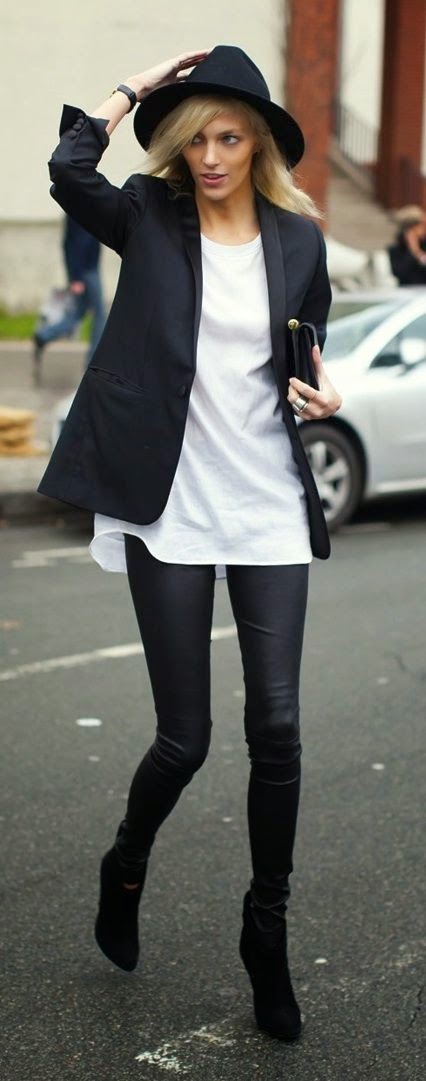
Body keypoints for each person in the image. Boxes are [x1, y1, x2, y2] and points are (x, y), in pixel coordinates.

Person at [37, 46, 342, 1041]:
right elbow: (67, 169)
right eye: (195, 136)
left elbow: (307, 348)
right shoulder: (147, 215)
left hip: (266, 502)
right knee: (186, 739)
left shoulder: (299, 239)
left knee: (279, 728)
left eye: (228, 137)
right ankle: (126, 862)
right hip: (170, 506)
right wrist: (135, 90)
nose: (209, 156)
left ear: (258, 144)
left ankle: (267, 931)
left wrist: (325, 389)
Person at [33, 214, 106, 373]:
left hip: (87, 269)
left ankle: (43, 336)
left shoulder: (85, 207)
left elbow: (70, 242)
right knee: (100, 314)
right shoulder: (79, 210)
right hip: (87, 271)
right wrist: (76, 277)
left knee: (78, 313)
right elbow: (74, 244)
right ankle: (93, 359)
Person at [388, 205, 426, 286]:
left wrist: (419, 253)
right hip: (406, 290)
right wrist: (413, 250)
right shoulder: (396, 249)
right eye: (422, 225)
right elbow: (399, 273)